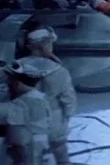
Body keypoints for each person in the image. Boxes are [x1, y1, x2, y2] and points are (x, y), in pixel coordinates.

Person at [19, 28, 77, 164]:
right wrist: (67, 116)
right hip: (53, 120)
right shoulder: (59, 71)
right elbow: (69, 100)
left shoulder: (15, 67)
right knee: (60, 150)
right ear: (47, 46)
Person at [0, 61, 50, 164]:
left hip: (26, 153)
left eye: (11, 80)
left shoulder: (20, 103)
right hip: (39, 149)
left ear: (18, 83)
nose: (8, 83)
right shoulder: (40, 97)